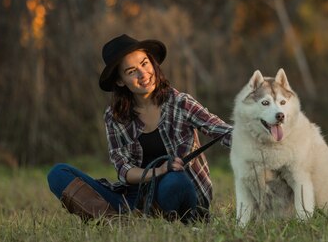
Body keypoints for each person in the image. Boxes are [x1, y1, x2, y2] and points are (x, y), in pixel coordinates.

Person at [47, 34, 232, 223]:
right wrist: (157, 171)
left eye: (145, 64)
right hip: (132, 200)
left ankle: (160, 220)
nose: (143, 74)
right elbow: (124, 170)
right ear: (120, 81)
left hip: (175, 192)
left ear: (152, 63)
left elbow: (220, 130)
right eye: (131, 71)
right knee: (58, 173)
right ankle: (118, 221)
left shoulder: (181, 103)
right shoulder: (114, 117)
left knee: (176, 180)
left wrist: (257, 128)